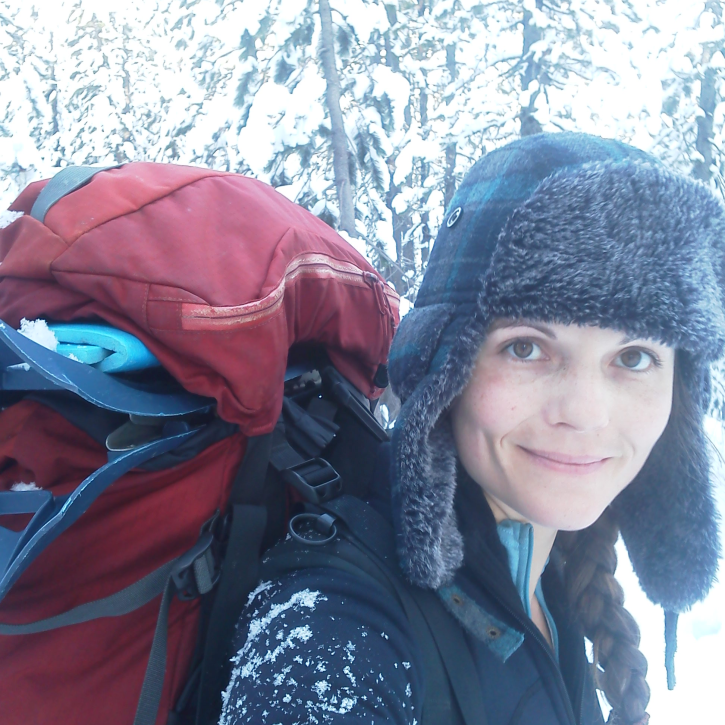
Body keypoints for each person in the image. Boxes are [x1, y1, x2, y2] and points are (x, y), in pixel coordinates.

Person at [218, 132, 724, 725]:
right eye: (526, 347)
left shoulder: (544, 568)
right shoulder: (334, 627)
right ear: (444, 367)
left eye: (634, 357)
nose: (585, 412)